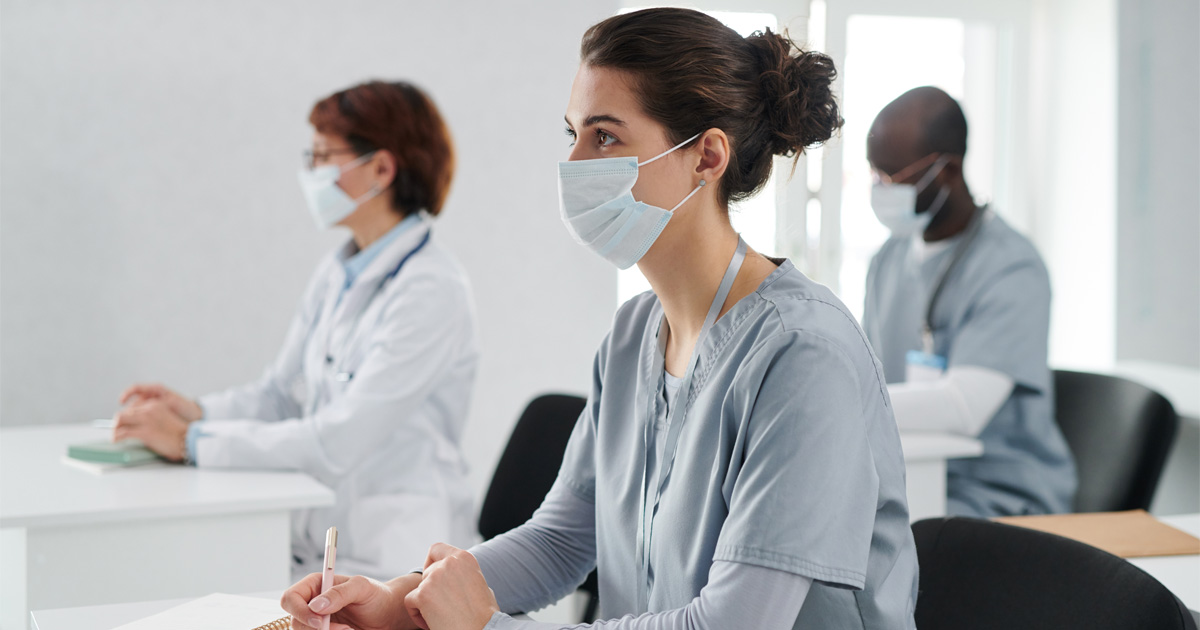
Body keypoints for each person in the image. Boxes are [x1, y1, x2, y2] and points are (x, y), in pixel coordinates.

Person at [281, 9, 918, 630]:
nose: (575, 164)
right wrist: (407, 601)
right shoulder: (633, 335)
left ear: (706, 158)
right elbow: (563, 537)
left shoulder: (804, 355)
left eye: (605, 136)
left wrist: (484, 626)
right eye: (573, 134)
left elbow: (733, 623)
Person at [112, 80, 481, 581]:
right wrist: (197, 411)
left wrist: (191, 441)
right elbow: (279, 395)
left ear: (381, 168)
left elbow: (337, 442)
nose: (312, 173)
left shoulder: (431, 289)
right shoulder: (338, 271)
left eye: (324, 156)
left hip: (398, 558)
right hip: (321, 545)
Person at [862, 86, 1075, 517]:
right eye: (874, 175)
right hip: (914, 479)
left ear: (949, 172)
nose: (880, 190)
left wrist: (839, 402)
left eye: (893, 178)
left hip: (999, 497)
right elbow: (866, 373)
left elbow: (962, 407)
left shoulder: (1012, 267)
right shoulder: (888, 259)